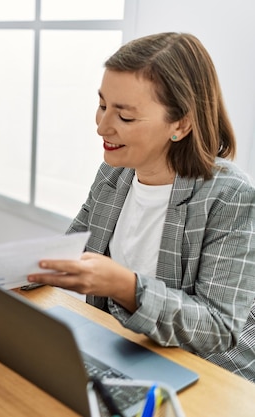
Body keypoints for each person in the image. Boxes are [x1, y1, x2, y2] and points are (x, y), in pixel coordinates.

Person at [27, 32, 255, 381]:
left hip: (210, 377)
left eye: (126, 117)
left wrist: (126, 287)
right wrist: (2, 274)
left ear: (180, 123)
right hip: (126, 352)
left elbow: (219, 329)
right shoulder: (114, 174)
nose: (102, 126)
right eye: (102, 105)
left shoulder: (229, 196)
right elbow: (69, 252)